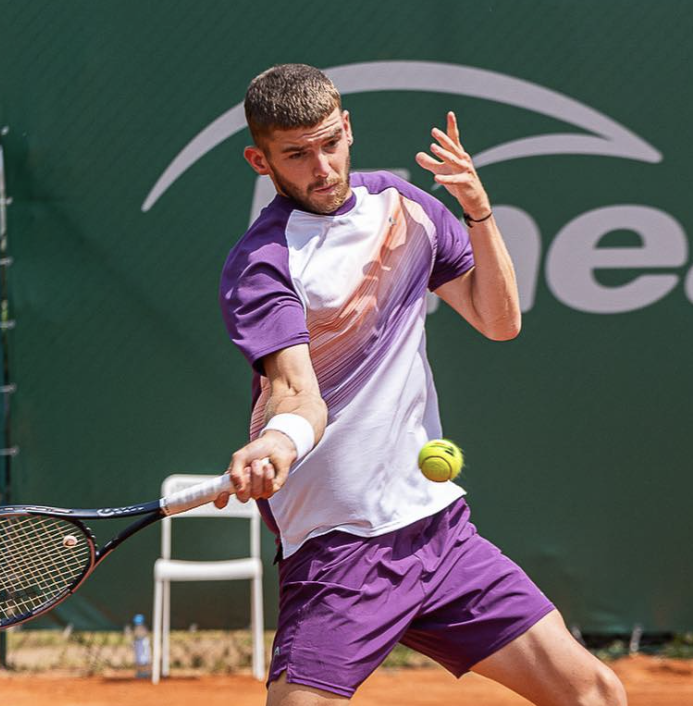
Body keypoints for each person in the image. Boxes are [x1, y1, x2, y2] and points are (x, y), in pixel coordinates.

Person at [215, 64, 627, 706]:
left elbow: (499, 320)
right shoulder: (263, 262)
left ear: (348, 128)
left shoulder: (405, 209)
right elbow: (298, 392)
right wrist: (281, 443)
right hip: (338, 548)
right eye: (296, 154)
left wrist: (479, 211)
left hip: (438, 533)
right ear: (259, 160)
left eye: (330, 142)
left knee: (593, 694)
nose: (321, 167)